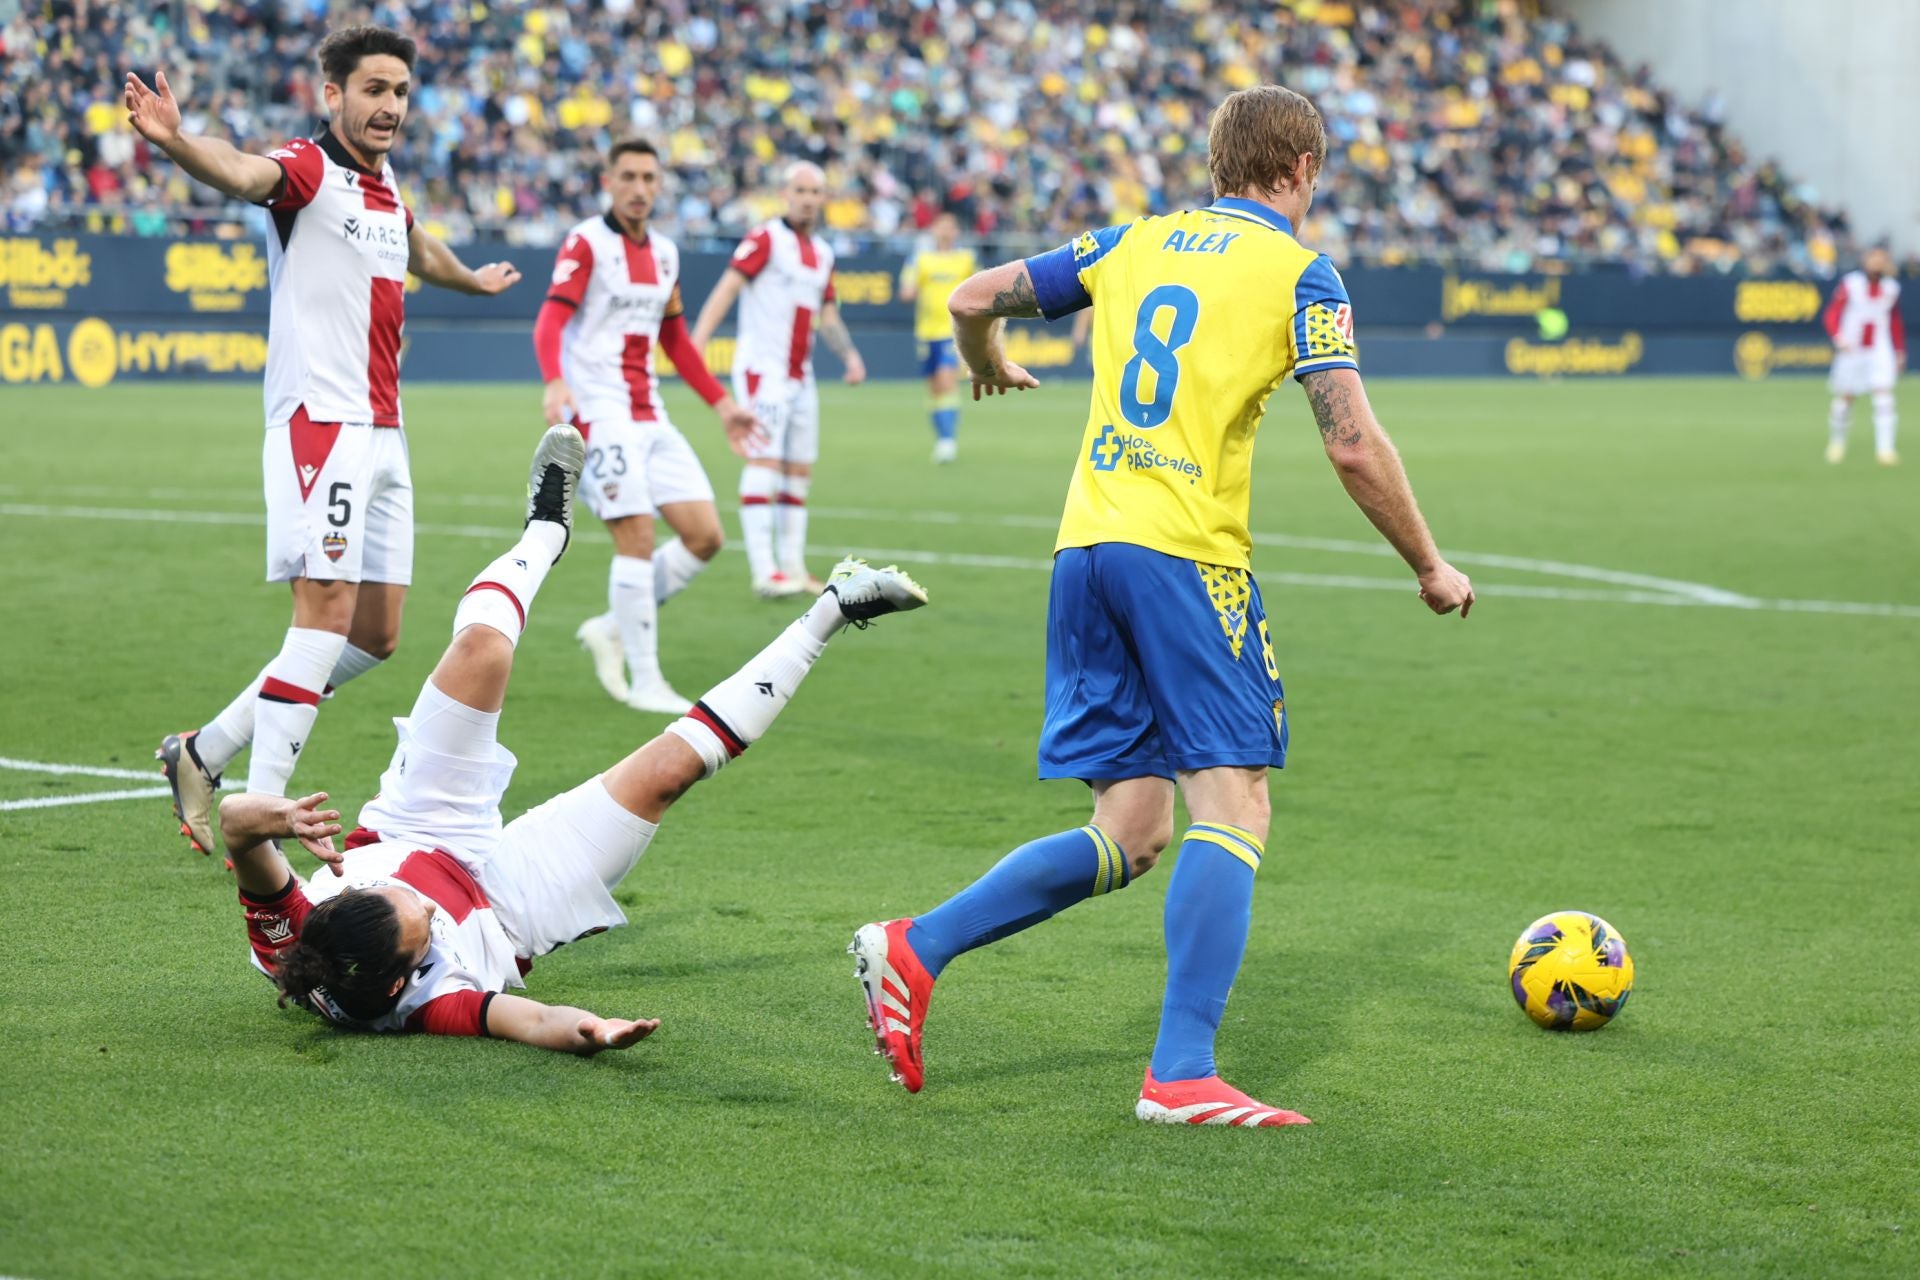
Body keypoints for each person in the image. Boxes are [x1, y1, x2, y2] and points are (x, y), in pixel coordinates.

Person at [847, 85, 1476, 1127]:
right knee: (1234, 805)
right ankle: (1180, 1072)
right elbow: (1352, 439)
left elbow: (969, 297)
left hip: (1085, 550)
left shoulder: (1129, 242)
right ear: (1303, 169)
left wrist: (987, 364)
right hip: (1185, 557)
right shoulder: (1302, 272)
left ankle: (917, 945)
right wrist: (1427, 562)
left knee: (1133, 827)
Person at [222, 425, 928, 1051]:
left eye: (411, 905)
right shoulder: (420, 1006)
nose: (431, 909)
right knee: (667, 775)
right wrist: (590, 1028)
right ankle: (834, 609)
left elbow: (234, 827)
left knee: (481, 653)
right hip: (510, 911)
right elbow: (525, 1019)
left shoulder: (290, 933)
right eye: (426, 929)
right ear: (403, 978)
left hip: (414, 820)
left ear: (340, 905)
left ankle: (545, 534)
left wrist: (277, 817)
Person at [131, 26, 523, 857]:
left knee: (375, 635)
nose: (390, 106)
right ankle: (263, 817)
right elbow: (242, 169)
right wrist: (174, 141)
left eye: (402, 91)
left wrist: (473, 278)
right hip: (322, 425)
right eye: (374, 89)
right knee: (323, 617)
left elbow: (421, 249)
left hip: (388, 434)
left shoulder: (386, 194)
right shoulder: (308, 170)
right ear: (333, 94)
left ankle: (200, 754)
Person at [534, 139, 766, 714]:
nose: (640, 188)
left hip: (649, 411)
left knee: (706, 535)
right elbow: (551, 319)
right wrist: (554, 380)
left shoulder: (665, 253)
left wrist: (721, 403)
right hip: (597, 410)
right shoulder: (587, 242)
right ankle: (646, 681)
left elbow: (675, 340)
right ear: (608, 181)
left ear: (660, 186)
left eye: (649, 178)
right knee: (635, 536)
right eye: (629, 177)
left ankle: (611, 627)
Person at [689, 161, 867, 598]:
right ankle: (763, 570)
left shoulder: (823, 252)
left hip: (799, 376)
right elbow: (728, 287)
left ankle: (792, 566)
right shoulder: (766, 237)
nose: (808, 198)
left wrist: (849, 356)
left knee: (798, 471)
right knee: (764, 462)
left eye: (815, 191)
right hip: (762, 368)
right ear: (786, 193)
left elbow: (827, 313)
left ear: (824, 198)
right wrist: (696, 340)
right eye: (800, 190)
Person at [898, 212, 978, 463]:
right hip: (926, 332)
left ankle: (948, 441)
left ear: (956, 232)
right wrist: (909, 290)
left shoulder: (966, 259)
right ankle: (942, 438)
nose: (945, 231)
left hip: (952, 332)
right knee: (934, 388)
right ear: (933, 230)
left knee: (946, 381)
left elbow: (979, 288)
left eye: (950, 226)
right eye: (941, 226)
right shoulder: (922, 260)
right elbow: (906, 291)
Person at [1822, 247, 1905, 465]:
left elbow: (1894, 321)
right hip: (1852, 349)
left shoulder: (1891, 288)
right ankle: (1837, 442)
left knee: (1884, 396)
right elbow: (1832, 314)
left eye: (1881, 259)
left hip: (1879, 349)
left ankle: (1885, 449)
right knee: (1845, 398)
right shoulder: (1851, 284)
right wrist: (1839, 338)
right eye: (1873, 259)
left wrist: (1899, 350)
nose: (1877, 263)